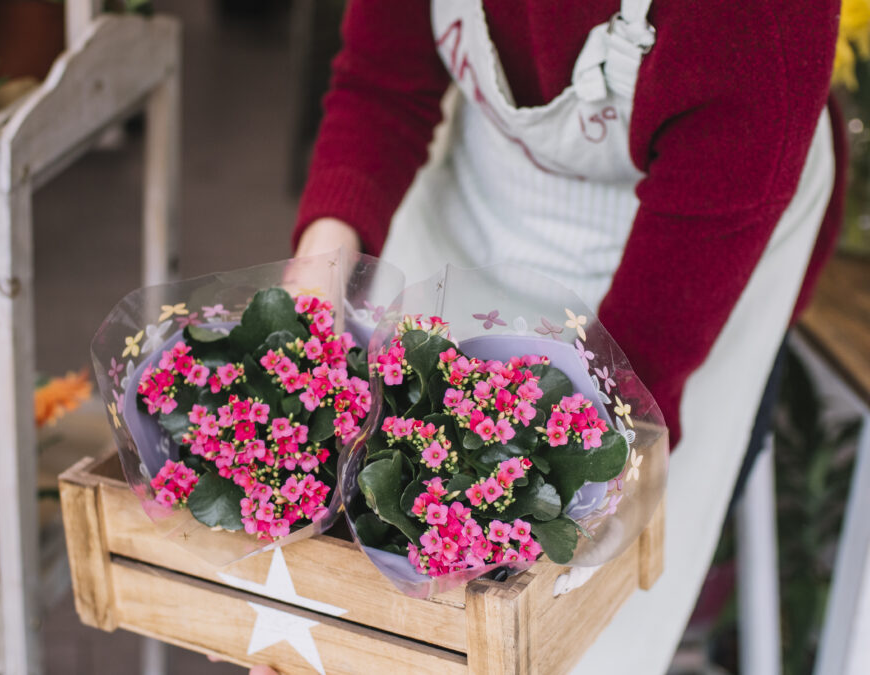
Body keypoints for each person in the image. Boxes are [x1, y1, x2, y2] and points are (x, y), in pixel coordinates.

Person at [278, 0, 845, 673]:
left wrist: (508, 538)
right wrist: (316, 275)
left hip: (693, 247)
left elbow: (638, 373)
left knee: (571, 619)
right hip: (483, 184)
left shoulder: (766, 23)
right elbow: (383, 80)